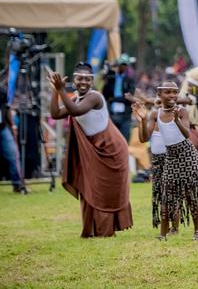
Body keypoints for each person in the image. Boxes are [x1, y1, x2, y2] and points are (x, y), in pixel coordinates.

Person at [47, 63, 133, 237]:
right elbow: (55, 114)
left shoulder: (95, 97)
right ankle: (92, 229)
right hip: (93, 148)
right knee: (91, 187)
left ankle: (105, 229)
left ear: (92, 82)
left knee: (104, 189)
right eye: (79, 79)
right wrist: (56, 91)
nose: (83, 82)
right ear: (74, 80)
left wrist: (61, 90)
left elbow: (76, 112)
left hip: (110, 148)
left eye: (87, 79)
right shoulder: (75, 98)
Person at [152, 81, 198, 241]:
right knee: (166, 195)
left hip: (187, 155)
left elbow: (187, 134)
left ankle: (197, 231)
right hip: (171, 157)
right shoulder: (156, 114)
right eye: (168, 92)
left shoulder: (182, 111)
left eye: (175, 92)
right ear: (159, 94)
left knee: (190, 195)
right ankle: (163, 234)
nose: (172, 95)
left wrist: (176, 120)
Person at [132, 101, 178, 234]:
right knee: (161, 195)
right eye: (156, 103)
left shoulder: (173, 118)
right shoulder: (153, 119)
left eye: (160, 103)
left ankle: (174, 227)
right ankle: (167, 226)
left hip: (172, 160)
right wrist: (142, 121)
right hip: (157, 162)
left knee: (172, 195)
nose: (159, 105)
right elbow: (143, 139)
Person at [101, 54, 136, 143]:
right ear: (118, 65)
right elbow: (105, 93)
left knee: (124, 138)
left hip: (125, 114)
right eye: (122, 64)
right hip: (111, 112)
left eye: (125, 65)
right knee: (111, 138)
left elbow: (129, 95)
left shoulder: (129, 80)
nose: (123, 67)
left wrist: (114, 99)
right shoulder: (111, 78)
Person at [0, 82, 27, 194]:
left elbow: (7, 108)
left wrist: (13, 126)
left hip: (2, 128)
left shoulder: (2, 91)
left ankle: (18, 185)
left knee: (13, 154)